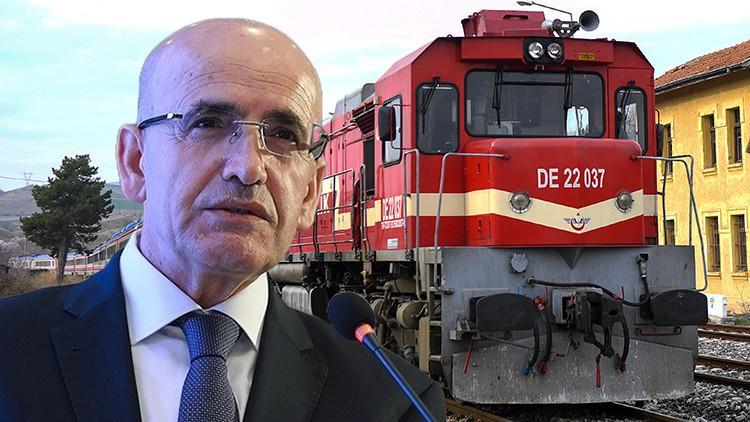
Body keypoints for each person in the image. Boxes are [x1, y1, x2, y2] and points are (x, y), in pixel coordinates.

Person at [0, 19, 445, 422]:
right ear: (136, 163)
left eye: (284, 135)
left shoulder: (396, 402)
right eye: (208, 123)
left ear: (310, 192)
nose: (248, 168)